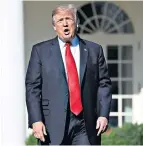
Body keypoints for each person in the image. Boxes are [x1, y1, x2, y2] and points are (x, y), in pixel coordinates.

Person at [25, 4, 112, 145]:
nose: (65, 24)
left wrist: (103, 115)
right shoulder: (40, 51)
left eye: (68, 19)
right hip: (51, 124)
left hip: (86, 123)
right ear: (54, 26)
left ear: (76, 23)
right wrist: (36, 120)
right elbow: (32, 88)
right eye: (60, 20)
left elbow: (104, 84)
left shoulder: (94, 50)